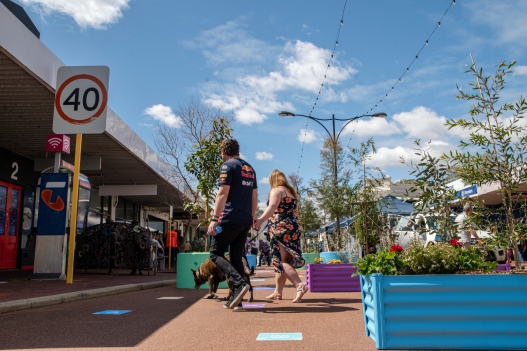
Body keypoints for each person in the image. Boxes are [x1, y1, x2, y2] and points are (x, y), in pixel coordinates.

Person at [207, 138, 257, 310]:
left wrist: (214, 218)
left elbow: (222, 193)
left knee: (215, 253)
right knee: (235, 257)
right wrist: (251, 218)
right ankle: (238, 300)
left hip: (229, 218)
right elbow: (254, 197)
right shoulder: (250, 169)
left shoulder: (227, 166)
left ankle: (239, 283)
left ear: (223, 151)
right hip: (245, 220)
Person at [253, 169, 307, 303]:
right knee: (279, 260)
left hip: (280, 227)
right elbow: (296, 213)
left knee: (283, 262)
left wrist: (260, 220)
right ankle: (278, 292)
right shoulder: (292, 194)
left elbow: (272, 206)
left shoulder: (276, 190)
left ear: (272, 180)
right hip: (292, 226)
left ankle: (299, 285)